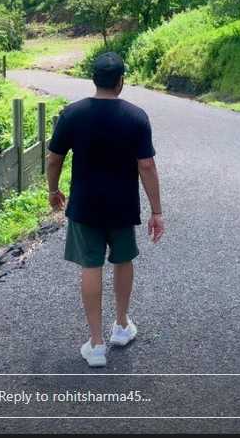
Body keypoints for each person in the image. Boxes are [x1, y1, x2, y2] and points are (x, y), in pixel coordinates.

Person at [47, 51, 164, 367]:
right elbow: (147, 165)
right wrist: (156, 210)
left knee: (91, 265)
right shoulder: (136, 117)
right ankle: (122, 325)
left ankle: (96, 343)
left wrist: (53, 189)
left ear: (93, 79)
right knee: (123, 260)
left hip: (85, 205)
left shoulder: (72, 114)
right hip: (123, 205)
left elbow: (54, 158)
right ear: (121, 81)